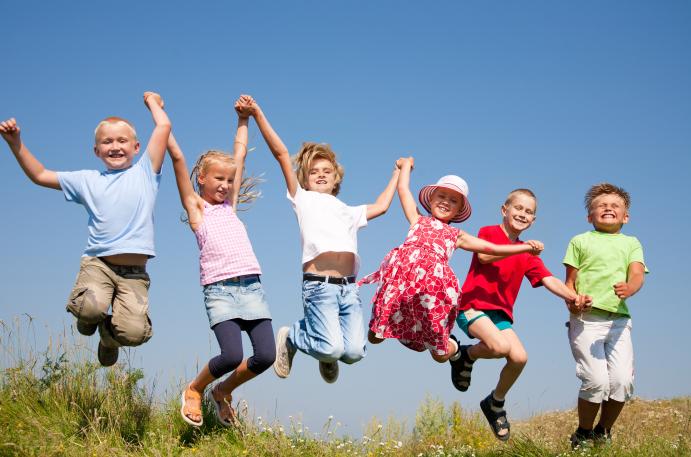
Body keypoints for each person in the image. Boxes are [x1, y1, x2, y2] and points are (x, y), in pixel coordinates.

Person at [0, 92, 171, 367]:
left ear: (137, 147)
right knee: (88, 308)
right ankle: (89, 316)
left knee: (135, 333)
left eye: (122, 141)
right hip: (99, 264)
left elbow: (163, 127)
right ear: (96, 151)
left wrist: (152, 102)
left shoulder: (146, 173)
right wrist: (15, 143)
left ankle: (108, 339)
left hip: (134, 275)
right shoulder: (87, 180)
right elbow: (40, 175)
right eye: (107, 142)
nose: (115, 146)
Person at [247, 98, 402, 384]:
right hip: (319, 288)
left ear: (336, 179)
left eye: (326, 171)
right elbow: (281, 153)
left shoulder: (349, 211)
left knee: (354, 353)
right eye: (313, 172)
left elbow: (382, 206)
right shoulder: (302, 199)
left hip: (349, 290)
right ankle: (293, 337)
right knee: (331, 347)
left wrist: (398, 173)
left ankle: (326, 353)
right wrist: (257, 114)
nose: (320, 175)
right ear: (304, 180)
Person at [359, 164, 545, 368]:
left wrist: (525, 248)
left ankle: (455, 348)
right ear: (431, 199)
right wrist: (404, 167)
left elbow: (490, 248)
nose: (446, 202)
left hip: (431, 296)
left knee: (439, 355)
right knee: (375, 336)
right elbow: (403, 189)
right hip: (401, 288)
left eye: (453, 200)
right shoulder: (417, 219)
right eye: (441, 196)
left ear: (458, 211)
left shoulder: (457, 236)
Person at [448, 188, 591, 441]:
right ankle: (465, 355)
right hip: (472, 306)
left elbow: (548, 279)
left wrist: (573, 297)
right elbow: (484, 254)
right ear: (505, 210)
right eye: (518, 208)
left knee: (519, 358)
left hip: (500, 315)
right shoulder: (489, 232)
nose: (523, 214)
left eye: (529, 212)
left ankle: (495, 402)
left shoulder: (527, 253)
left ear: (533, 220)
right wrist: (523, 248)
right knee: (500, 346)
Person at [167, 95, 276, 427]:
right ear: (202, 178)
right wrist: (163, 124)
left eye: (230, 181)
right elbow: (177, 158)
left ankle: (222, 392)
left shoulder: (230, 208)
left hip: (252, 288)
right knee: (231, 355)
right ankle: (194, 389)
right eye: (219, 179)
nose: (226, 185)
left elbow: (239, 153)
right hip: (221, 291)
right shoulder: (198, 211)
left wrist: (244, 119)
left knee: (266, 356)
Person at [564, 183, 647, 449]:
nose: (608, 208)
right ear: (590, 216)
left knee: (622, 382)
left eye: (615, 205)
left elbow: (636, 274)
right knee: (596, 381)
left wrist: (630, 288)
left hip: (619, 321)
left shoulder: (631, 243)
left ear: (626, 217)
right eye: (601, 205)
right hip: (586, 320)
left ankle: (603, 430)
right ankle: (583, 433)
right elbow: (569, 283)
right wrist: (574, 303)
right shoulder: (580, 241)